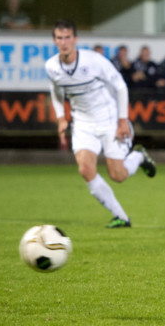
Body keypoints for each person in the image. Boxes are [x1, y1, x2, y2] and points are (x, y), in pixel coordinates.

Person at [44, 19, 156, 228]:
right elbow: (56, 90)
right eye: (59, 38)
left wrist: (122, 121)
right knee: (85, 169)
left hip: (109, 121)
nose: (64, 42)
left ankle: (138, 156)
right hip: (83, 124)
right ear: (54, 41)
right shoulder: (51, 66)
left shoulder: (94, 61)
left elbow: (121, 87)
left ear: (75, 39)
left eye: (68, 37)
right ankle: (121, 216)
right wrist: (61, 117)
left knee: (118, 175)